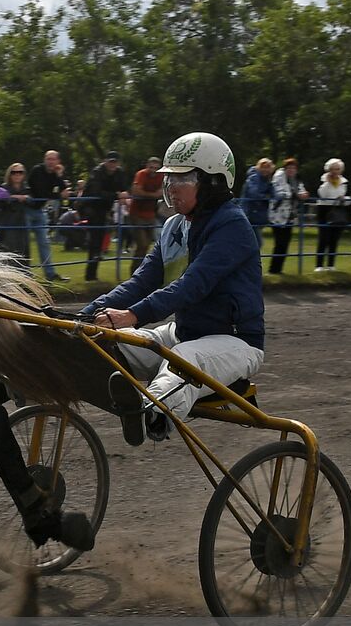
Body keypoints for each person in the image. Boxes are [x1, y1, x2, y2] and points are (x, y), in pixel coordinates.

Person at [82, 132, 264, 446]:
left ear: (212, 182)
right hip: (182, 332)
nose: (170, 187)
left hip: (234, 342)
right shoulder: (174, 227)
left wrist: (132, 316)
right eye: (169, 179)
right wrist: (83, 318)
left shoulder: (232, 225)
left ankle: (152, 412)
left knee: (183, 357)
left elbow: (192, 285)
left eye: (182, 179)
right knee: (102, 341)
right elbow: (140, 283)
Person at [81, 151, 130, 281]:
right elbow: (96, 192)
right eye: (110, 161)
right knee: (95, 241)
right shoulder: (97, 172)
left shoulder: (119, 173)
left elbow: (123, 187)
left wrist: (124, 193)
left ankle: (92, 274)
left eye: (115, 162)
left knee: (99, 240)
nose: (112, 164)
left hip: (103, 208)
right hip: (90, 207)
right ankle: (90, 275)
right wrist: (117, 195)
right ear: (105, 161)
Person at [27, 149, 71, 280]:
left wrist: (59, 174)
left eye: (53, 159)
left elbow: (64, 189)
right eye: (48, 159)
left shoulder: (54, 174)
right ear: (44, 160)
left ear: (58, 161)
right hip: (27, 209)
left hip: (39, 211)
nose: (50, 162)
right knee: (23, 243)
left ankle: (50, 274)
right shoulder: (37, 170)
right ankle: (24, 274)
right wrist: (58, 195)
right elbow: (41, 192)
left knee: (44, 243)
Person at [267, 157, 310, 275]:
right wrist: (297, 194)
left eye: (293, 168)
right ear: (285, 168)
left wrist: (304, 194)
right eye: (289, 168)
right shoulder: (279, 176)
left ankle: (278, 269)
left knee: (285, 243)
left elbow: (301, 191)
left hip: (290, 216)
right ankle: (273, 270)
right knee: (279, 242)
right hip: (277, 215)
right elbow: (281, 191)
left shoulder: (296, 179)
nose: (291, 170)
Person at [125, 156, 165, 273]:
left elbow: (163, 191)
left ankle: (140, 270)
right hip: (137, 213)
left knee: (147, 245)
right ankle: (135, 270)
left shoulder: (161, 176)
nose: (153, 170)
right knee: (142, 243)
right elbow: (136, 190)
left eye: (156, 168)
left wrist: (146, 194)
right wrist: (153, 195)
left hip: (150, 214)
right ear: (147, 166)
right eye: (151, 167)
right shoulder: (141, 174)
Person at [314, 158, 349, 272]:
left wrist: (345, 199)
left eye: (338, 169)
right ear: (329, 170)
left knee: (334, 239)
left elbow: (346, 198)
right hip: (325, 210)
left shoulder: (343, 182)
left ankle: (331, 265)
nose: (335, 171)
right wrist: (327, 183)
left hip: (337, 211)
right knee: (323, 239)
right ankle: (319, 265)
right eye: (333, 169)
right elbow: (322, 195)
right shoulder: (323, 181)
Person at [0, 162, 33, 261]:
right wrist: (14, 197)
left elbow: (33, 202)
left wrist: (27, 198)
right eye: (14, 172)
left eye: (20, 172)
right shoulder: (4, 188)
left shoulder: (27, 189)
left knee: (23, 248)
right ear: (9, 174)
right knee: (8, 248)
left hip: (22, 222)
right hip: (7, 221)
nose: (17, 175)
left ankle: (24, 273)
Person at [241, 157, 275, 245]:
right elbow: (254, 193)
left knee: (251, 243)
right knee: (257, 243)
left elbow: (274, 194)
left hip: (257, 216)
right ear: (259, 167)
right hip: (249, 214)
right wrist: (266, 197)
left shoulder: (268, 180)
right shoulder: (253, 178)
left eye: (268, 167)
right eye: (263, 167)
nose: (265, 169)